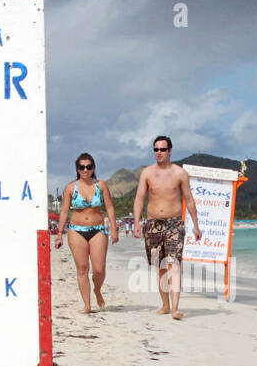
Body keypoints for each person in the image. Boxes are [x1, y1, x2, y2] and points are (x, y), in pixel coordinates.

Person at [132, 135, 200, 319]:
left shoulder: (180, 173)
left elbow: (189, 199)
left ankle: (175, 308)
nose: (159, 153)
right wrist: (137, 222)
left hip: (174, 224)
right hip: (153, 225)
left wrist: (196, 225)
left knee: (174, 264)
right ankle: (165, 305)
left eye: (163, 149)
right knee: (160, 266)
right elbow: (139, 197)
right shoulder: (147, 173)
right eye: (156, 149)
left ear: (170, 150)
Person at [55, 153, 118, 313]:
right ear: (77, 169)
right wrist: (59, 234)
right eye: (82, 167)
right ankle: (87, 305)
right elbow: (64, 211)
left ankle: (97, 290)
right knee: (82, 268)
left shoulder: (101, 185)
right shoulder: (70, 188)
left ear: (93, 168)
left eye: (89, 167)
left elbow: (110, 207)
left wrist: (114, 229)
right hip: (76, 230)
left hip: (98, 230)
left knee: (98, 269)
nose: (85, 170)